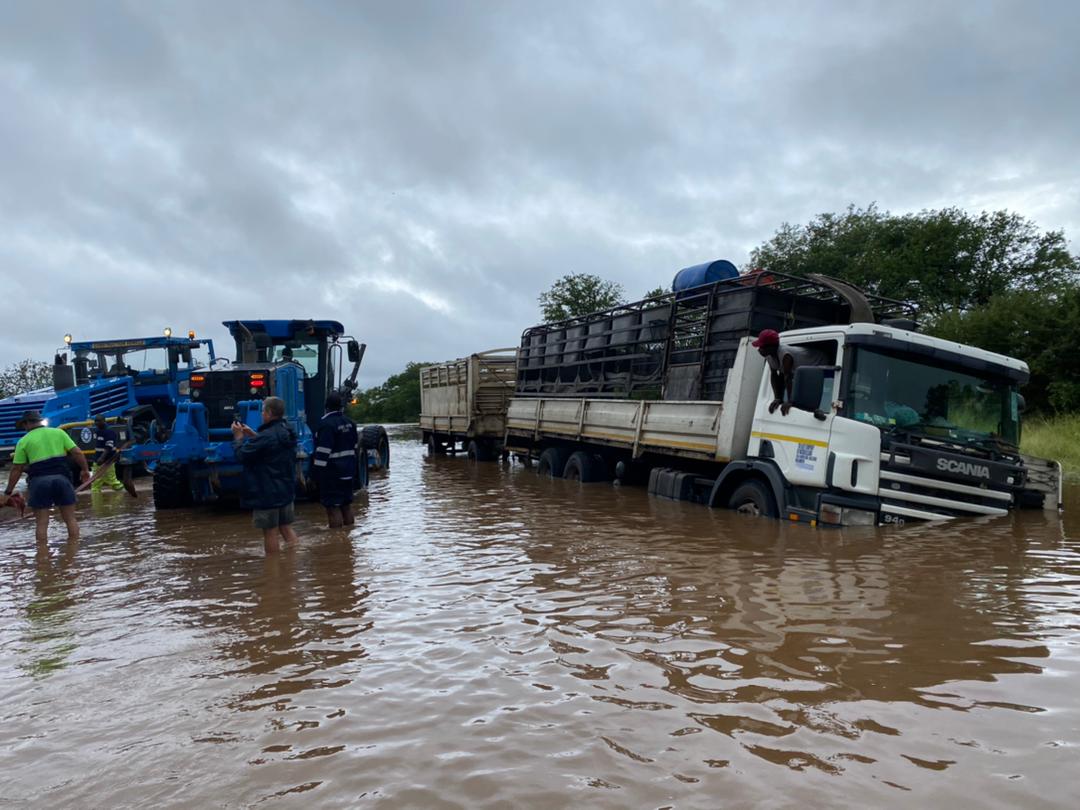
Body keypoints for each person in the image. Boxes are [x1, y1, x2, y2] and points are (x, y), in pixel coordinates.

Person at [3, 410, 90, 543]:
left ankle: (42, 558)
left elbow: (17, 469)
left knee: (42, 523)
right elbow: (77, 453)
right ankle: (72, 554)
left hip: (39, 483)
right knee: (70, 519)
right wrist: (85, 470)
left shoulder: (24, 441)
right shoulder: (59, 433)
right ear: (39, 421)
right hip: (62, 480)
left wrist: (8, 492)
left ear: (26, 424)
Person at [232, 396, 299, 554]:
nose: (262, 414)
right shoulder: (288, 431)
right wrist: (255, 435)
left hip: (267, 491)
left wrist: (238, 438)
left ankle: (273, 573)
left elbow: (242, 456)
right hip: (286, 489)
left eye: (263, 411)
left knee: (270, 532)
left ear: (269, 413)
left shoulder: (266, 436)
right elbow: (273, 447)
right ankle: (293, 565)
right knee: (286, 528)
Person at [752, 329, 828, 417]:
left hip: (819, 361)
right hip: (798, 370)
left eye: (762, 347)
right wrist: (778, 398)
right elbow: (774, 376)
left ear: (771, 347)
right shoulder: (769, 356)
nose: (759, 350)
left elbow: (788, 378)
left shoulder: (785, 354)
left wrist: (790, 401)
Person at [313, 391, 359, 528]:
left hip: (332, 473)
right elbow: (355, 446)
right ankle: (348, 538)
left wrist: (316, 474)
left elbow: (323, 452)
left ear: (326, 407)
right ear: (341, 407)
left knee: (332, 507)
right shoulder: (350, 423)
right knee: (346, 505)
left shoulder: (326, 425)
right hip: (348, 471)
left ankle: (337, 539)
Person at [91, 415, 126, 494]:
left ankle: (122, 494)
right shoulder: (97, 431)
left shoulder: (109, 432)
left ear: (104, 421)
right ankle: (96, 500)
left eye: (98, 421)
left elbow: (109, 447)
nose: (96, 423)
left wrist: (102, 458)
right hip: (98, 459)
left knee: (112, 480)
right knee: (96, 481)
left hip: (108, 460)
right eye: (95, 421)